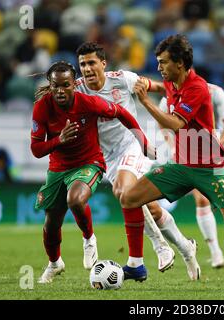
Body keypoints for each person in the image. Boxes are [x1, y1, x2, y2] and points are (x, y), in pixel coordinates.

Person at [121, 34, 224, 292]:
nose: (160, 67)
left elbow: (174, 123)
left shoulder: (197, 88)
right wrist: (140, 83)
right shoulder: (173, 81)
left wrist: (145, 101)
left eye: (164, 62)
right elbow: (163, 86)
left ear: (181, 64)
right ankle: (136, 264)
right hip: (182, 166)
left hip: (210, 168)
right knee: (129, 198)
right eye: (159, 62)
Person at [74, 42, 200, 280]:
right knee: (149, 207)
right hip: (106, 156)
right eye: (82, 64)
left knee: (125, 192)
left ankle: (149, 254)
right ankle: (186, 248)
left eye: (91, 63)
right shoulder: (77, 89)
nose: (87, 69)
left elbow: (160, 87)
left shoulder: (122, 79)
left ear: (103, 64)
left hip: (132, 144)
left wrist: (182, 98)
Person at [31, 61, 153, 283]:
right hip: (58, 168)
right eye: (55, 86)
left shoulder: (88, 102)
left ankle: (89, 239)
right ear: (50, 85)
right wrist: (60, 140)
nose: (60, 90)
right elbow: (36, 149)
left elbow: (122, 113)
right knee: (51, 223)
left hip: (89, 162)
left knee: (75, 200)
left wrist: (142, 140)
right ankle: (55, 263)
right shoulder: (42, 107)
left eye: (66, 85)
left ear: (73, 85)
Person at [158, 83, 224, 269]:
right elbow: (162, 122)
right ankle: (216, 253)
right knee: (202, 199)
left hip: (217, 156)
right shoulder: (170, 94)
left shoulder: (214, 92)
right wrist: (171, 145)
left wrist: (215, 143)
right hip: (193, 158)